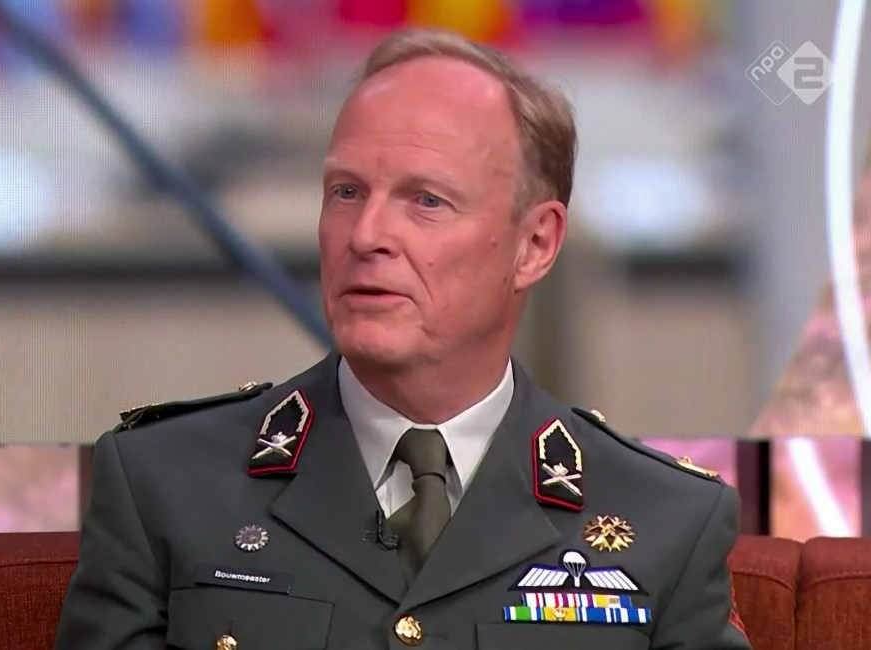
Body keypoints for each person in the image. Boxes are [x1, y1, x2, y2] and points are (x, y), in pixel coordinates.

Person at [54, 28, 751, 650]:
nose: (366, 236)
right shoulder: (164, 483)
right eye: (346, 192)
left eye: (426, 200)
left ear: (535, 244)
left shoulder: (666, 520)